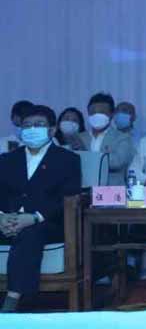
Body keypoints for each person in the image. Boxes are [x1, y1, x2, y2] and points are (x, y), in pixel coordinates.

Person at [0, 105, 81, 312]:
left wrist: (34, 217)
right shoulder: (7, 159)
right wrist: (1, 217)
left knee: (29, 232)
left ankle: (12, 301)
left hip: (47, 223)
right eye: (27, 125)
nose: (32, 129)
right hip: (7, 221)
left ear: (52, 130)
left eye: (39, 125)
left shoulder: (67, 160)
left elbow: (68, 197)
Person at [67, 93, 135, 186]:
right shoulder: (79, 137)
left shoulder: (122, 137)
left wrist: (85, 153)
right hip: (83, 189)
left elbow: (117, 162)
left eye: (102, 112)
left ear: (111, 115)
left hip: (111, 191)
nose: (96, 116)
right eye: (93, 112)